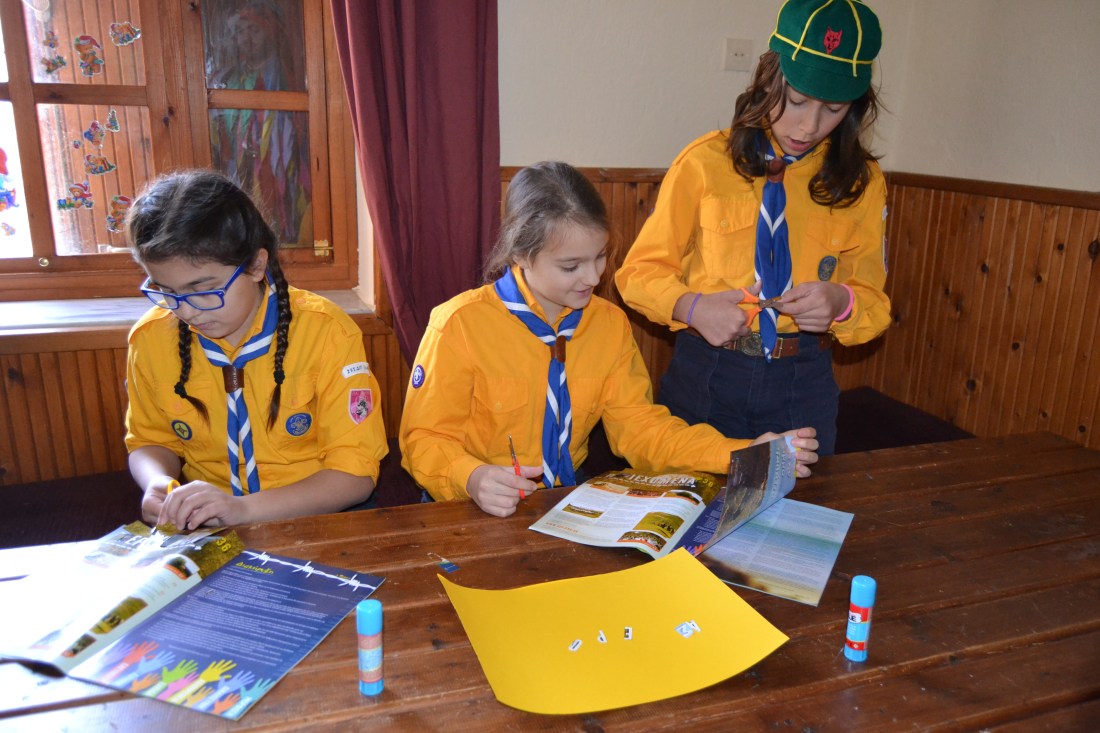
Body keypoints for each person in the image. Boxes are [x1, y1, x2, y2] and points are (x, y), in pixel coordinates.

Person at [398, 161, 818, 518]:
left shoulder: (608, 324)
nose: (594, 277)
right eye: (571, 266)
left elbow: (641, 429)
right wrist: (471, 477)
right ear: (520, 254)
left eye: (600, 256)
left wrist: (740, 453)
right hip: (468, 508)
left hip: (562, 505)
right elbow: (423, 439)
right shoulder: (459, 324)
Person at [614, 0, 890, 456]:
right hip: (706, 374)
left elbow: (874, 303)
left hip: (802, 384)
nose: (809, 126)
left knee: (802, 500)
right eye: (796, 101)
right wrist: (691, 307)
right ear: (768, 78)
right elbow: (637, 274)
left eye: (833, 108)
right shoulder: (704, 163)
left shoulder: (862, 182)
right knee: (687, 495)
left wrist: (841, 303)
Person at [124, 169, 387, 530]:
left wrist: (244, 509)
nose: (186, 311)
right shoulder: (151, 339)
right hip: (211, 522)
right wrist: (157, 481)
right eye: (167, 292)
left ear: (256, 266)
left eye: (204, 290)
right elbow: (150, 440)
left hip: (319, 516)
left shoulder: (327, 333)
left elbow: (355, 476)